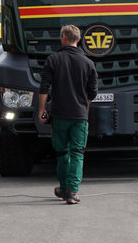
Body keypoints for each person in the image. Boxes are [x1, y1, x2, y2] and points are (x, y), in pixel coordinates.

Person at [36, 25, 98, 204]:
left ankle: (64, 188)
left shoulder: (53, 59)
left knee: (62, 153)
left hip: (59, 115)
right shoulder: (88, 63)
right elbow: (93, 92)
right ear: (78, 39)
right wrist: (82, 105)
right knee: (77, 153)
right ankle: (72, 191)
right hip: (79, 117)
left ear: (63, 37)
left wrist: (42, 110)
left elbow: (44, 87)